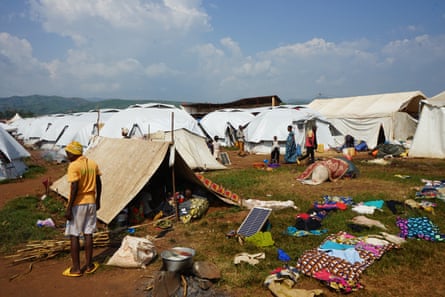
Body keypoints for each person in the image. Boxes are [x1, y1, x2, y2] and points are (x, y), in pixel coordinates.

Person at [63, 141, 102, 277]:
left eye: (68, 152)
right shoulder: (93, 163)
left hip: (78, 204)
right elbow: (99, 183)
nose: (66, 155)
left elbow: (74, 187)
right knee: (88, 233)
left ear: (74, 153)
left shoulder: (74, 165)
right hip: (91, 202)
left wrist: (69, 208)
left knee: (74, 235)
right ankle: (90, 265)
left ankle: (76, 269)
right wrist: (98, 200)